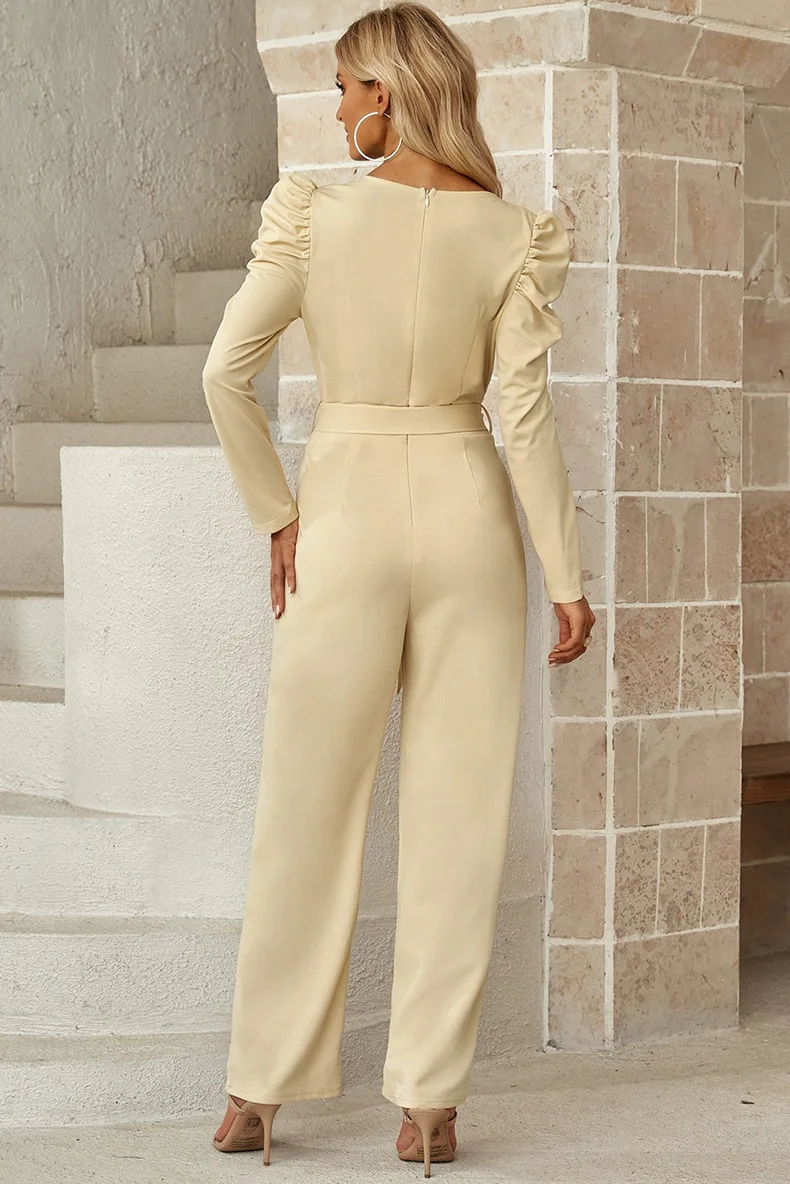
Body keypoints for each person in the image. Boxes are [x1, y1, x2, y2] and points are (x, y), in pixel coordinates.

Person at [202, 1, 596, 1174]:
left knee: (306, 805)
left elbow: (224, 372)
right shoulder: (513, 232)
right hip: (471, 517)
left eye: (343, 89)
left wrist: (278, 512)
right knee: (459, 816)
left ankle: (256, 1090)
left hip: (345, 515)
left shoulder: (316, 216)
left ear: (385, 92)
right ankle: (428, 1105)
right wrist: (566, 574)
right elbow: (522, 412)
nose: (337, 112)